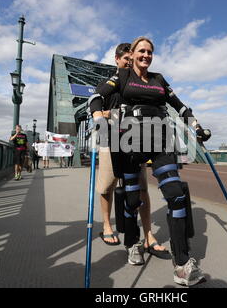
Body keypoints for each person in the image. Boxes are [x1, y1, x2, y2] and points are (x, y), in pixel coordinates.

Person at [89, 37, 211, 286]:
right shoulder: (121, 77)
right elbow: (96, 98)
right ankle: (133, 243)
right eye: (141, 51)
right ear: (132, 54)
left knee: (176, 194)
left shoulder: (159, 79)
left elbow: (181, 107)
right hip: (129, 141)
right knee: (133, 198)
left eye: (149, 52)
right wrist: (98, 118)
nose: (146, 55)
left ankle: (182, 264)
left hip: (160, 140)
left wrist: (196, 126)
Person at [89, 43, 169, 259]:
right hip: (111, 138)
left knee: (141, 188)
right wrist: (104, 115)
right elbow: (95, 104)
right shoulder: (112, 83)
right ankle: (107, 225)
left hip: (134, 140)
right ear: (117, 60)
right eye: (125, 58)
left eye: (130, 58)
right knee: (108, 184)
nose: (129, 62)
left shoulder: (137, 82)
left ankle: (148, 235)